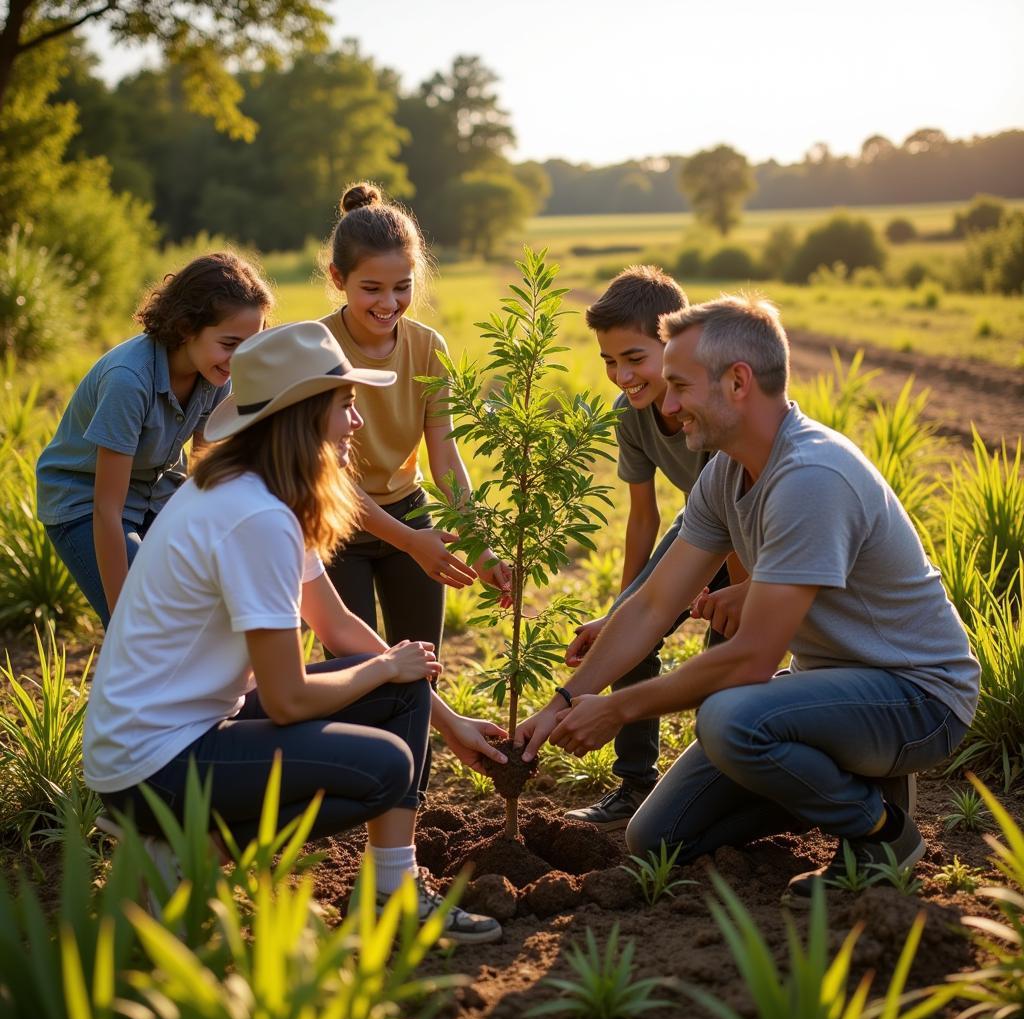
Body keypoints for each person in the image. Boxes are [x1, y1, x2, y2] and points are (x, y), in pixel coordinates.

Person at [517, 295, 979, 903]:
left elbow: (752, 659)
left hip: (916, 696)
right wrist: (565, 700)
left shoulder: (812, 476)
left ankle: (880, 830)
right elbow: (656, 604)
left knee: (730, 717)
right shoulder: (726, 473)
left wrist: (620, 709)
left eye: (680, 386)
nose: (670, 403)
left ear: (738, 382)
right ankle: (834, 787)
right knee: (657, 838)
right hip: (824, 692)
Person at [82, 320, 506, 943]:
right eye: (346, 405)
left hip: (186, 728)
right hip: (153, 765)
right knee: (386, 764)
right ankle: (183, 852)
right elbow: (288, 699)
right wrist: (387, 667)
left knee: (405, 690)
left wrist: (449, 719)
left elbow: (335, 624)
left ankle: (392, 893)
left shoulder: (262, 490)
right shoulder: (252, 515)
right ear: (304, 416)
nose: (357, 423)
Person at [563, 266, 742, 830]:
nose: (620, 375)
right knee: (626, 638)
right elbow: (643, 515)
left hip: (749, 540)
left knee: (728, 657)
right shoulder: (631, 418)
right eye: (609, 363)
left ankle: (726, 783)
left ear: (674, 345)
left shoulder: (711, 409)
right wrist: (623, 611)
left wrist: (741, 594)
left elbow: (741, 521)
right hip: (700, 527)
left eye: (634, 359)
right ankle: (635, 783)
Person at [319, 182, 512, 657]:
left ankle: (418, 737)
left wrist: (478, 543)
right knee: (356, 671)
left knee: (424, 665)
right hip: (338, 523)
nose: (388, 303)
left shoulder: (427, 348)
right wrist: (410, 542)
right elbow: (332, 478)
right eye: (371, 289)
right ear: (337, 278)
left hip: (411, 510)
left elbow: (443, 452)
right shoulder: (316, 349)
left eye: (402, 287)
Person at [36, 252, 273, 626]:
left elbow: (203, 478)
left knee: (200, 606)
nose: (239, 359)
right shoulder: (128, 381)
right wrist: (124, 623)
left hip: (156, 491)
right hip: (86, 502)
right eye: (229, 344)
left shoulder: (217, 375)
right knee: (148, 622)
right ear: (185, 328)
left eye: (250, 346)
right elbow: (107, 510)